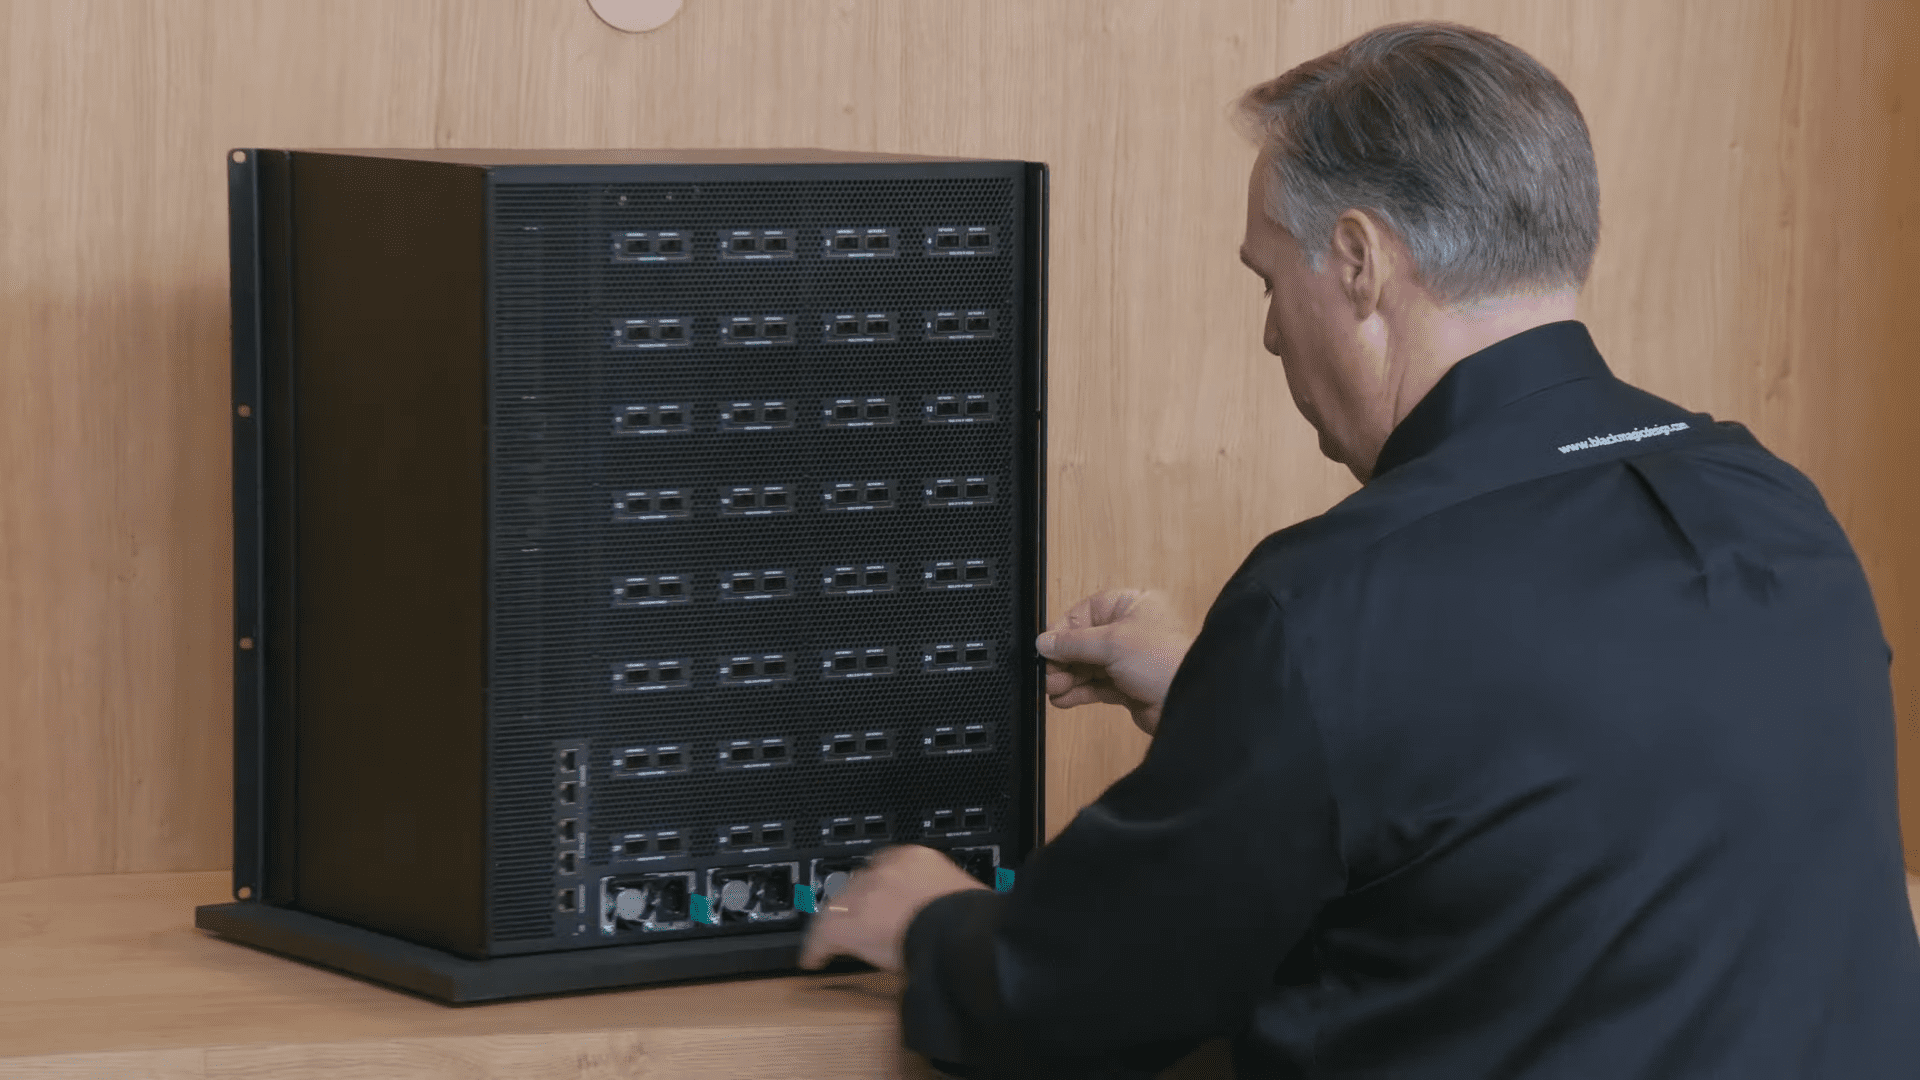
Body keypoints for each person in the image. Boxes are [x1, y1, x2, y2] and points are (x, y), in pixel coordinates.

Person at [799, 20, 1920, 1079]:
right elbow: (1567, 768)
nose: (1272, 330)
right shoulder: (1776, 509)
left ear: (1358, 261)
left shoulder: (1332, 605)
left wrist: (931, 924)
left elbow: (1079, 1003)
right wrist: (1221, 696)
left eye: (1268, 279)